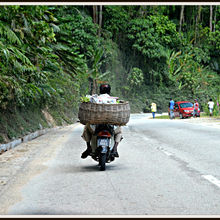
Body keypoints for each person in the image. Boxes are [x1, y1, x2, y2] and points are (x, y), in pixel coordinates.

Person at [81, 84, 122, 159]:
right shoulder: (114, 100)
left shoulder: (94, 99)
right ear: (109, 91)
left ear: (100, 91)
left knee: (86, 128)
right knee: (119, 131)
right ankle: (115, 149)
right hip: (110, 126)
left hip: (96, 126)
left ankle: (88, 147)